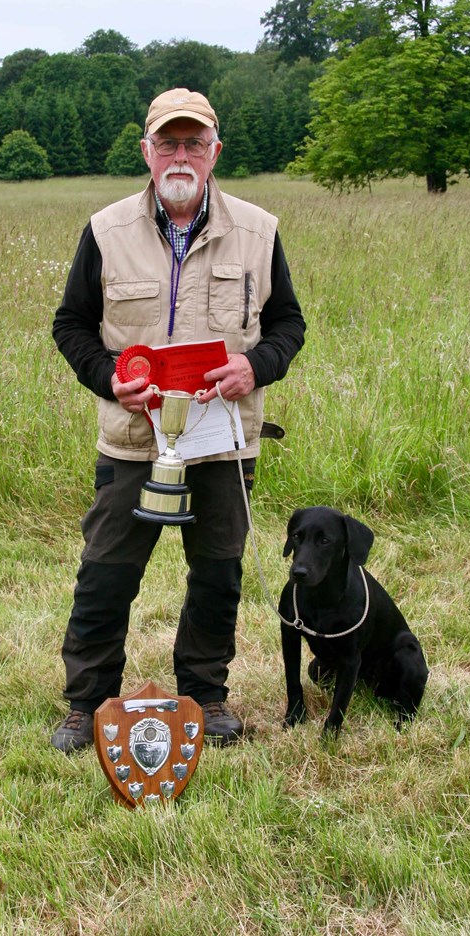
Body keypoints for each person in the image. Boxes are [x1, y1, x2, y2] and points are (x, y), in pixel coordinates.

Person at [51, 88, 305, 752]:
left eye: (195, 142)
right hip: (134, 439)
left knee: (219, 573)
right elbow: (71, 325)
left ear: (216, 151)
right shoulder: (105, 230)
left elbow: (287, 326)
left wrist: (256, 367)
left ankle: (208, 694)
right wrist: (109, 377)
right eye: (169, 142)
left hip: (224, 442)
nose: (182, 155)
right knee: (105, 573)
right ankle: (86, 703)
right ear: (147, 152)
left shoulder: (259, 230)